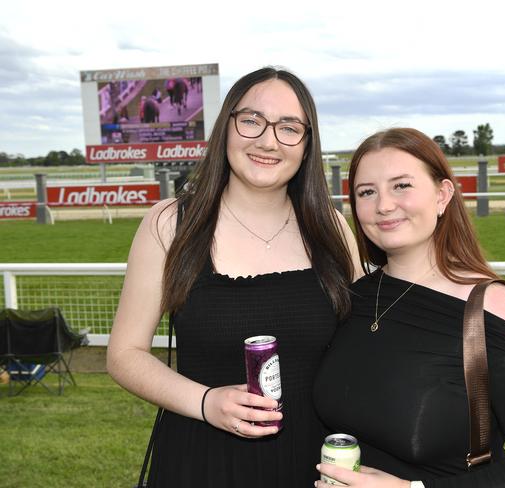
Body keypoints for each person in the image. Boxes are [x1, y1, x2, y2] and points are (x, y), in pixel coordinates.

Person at [107, 67, 361, 487]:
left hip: (313, 464)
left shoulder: (331, 228)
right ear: (226, 126)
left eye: (289, 128)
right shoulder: (172, 223)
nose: (267, 140)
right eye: (251, 120)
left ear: (307, 144)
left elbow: (367, 349)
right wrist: (206, 402)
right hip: (202, 458)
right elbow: (124, 354)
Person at [313, 128, 505, 487]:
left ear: (442, 194)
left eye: (401, 186)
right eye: (367, 192)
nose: (384, 205)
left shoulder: (491, 309)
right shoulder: (356, 297)